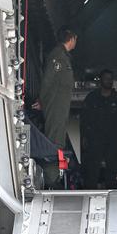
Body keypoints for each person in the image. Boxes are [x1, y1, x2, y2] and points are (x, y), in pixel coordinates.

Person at [38, 27, 77, 186]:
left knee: (58, 139)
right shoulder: (58, 56)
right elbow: (48, 81)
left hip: (60, 106)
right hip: (55, 105)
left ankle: (55, 176)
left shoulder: (64, 56)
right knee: (54, 141)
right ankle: (51, 178)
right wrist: (42, 101)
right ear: (71, 39)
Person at [80, 69, 117, 189]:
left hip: (113, 139)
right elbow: (84, 119)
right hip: (94, 139)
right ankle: (90, 193)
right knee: (92, 169)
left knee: (112, 168)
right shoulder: (92, 98)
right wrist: (84, 137)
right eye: (106, 78)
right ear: (101, 80)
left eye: (111, 79)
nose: (109, 81)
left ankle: (112, 193)